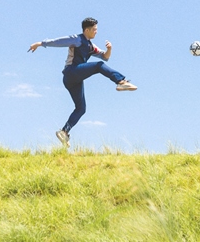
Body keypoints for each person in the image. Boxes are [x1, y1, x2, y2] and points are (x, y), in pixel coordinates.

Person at [28, 17, 137, 147]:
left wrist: (109, 49)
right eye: (94, 30)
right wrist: (40, 43)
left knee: (81, 108)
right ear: (87, 30)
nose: (96, 32)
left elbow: (105, 57)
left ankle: (64, 132)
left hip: (74, 79)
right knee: (98, 66)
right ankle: (121, 81)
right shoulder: (77, 39)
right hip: (71, 72)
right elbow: (59, 42)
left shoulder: (91, 46)